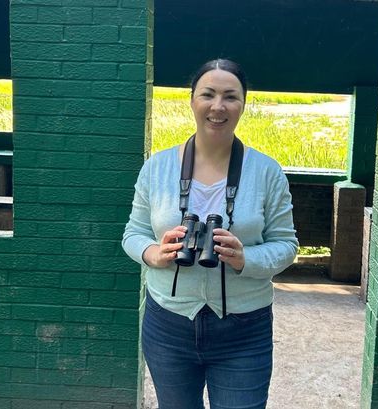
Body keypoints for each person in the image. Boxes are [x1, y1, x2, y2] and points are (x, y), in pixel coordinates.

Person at [122, 59, 298, 409]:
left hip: (244, 328)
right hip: (168, 324)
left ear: (243, 105)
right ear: (192, 100)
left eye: (230, 96)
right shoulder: (157, 167)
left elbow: (286, 245)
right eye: (208, 94)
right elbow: (134, 232)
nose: (218, 106)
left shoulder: (266, 172)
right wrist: (153, 254)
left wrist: (245, 258)